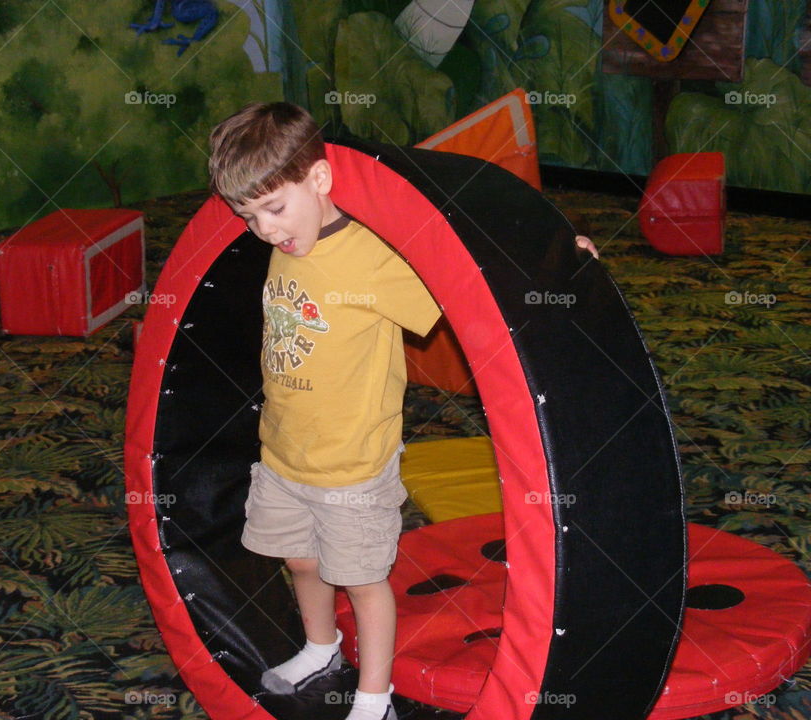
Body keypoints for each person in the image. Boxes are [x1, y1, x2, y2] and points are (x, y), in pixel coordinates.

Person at [207, 101, 598, 720]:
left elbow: (469, 281)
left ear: (320, 179)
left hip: (354, 465)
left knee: (363, 581)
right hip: (283, 453)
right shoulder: (286, 242)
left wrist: (554, 257)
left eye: (274, 209)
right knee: (302, 562)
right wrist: (275, 222)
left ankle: (375, 698)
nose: (265, 230)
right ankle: (320, 648)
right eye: (248, 216)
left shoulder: (373, 259)